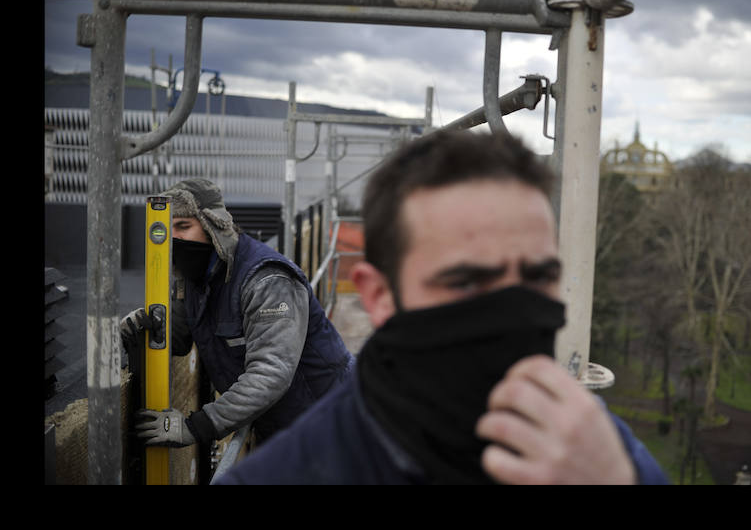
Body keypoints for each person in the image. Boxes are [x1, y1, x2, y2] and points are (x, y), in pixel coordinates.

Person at [214, 130, 669, 484]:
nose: (513, 309)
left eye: (538, 277)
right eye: (467, 280)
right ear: (378, 296)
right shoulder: (289, 475)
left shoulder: (596, 447)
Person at [119, 178, 354, 451]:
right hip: (283, 425)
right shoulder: (195, 278)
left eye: (183, 226)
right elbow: (181, 334)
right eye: (166, 229)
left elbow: (270, 373)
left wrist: (196, 427)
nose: (174, 238)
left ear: (213, 226)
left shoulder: (267, 280)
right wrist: (146, 326)